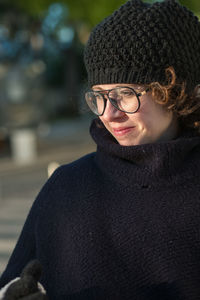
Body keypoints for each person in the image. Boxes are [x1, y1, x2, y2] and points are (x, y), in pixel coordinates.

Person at [0, 0, 200, 299]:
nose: (109, 113)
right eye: (99, 96)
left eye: (126, 94)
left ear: (174, 91)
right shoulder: (67, 189)